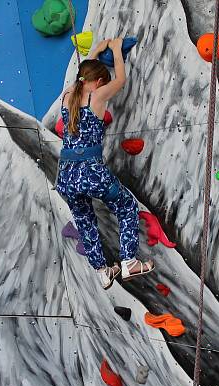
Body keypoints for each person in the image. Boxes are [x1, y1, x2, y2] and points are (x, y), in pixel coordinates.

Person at [56, 37, 155, 290]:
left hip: (66, 176)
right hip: (91, 172)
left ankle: (102, 271)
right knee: (126, 207)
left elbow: (81, 75)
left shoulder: (68, 95)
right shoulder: (97, 96)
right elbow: (120, 79)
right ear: (99, 82)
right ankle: (129, 261)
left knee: (85, 220)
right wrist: (115, 51)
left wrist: (95, 52)